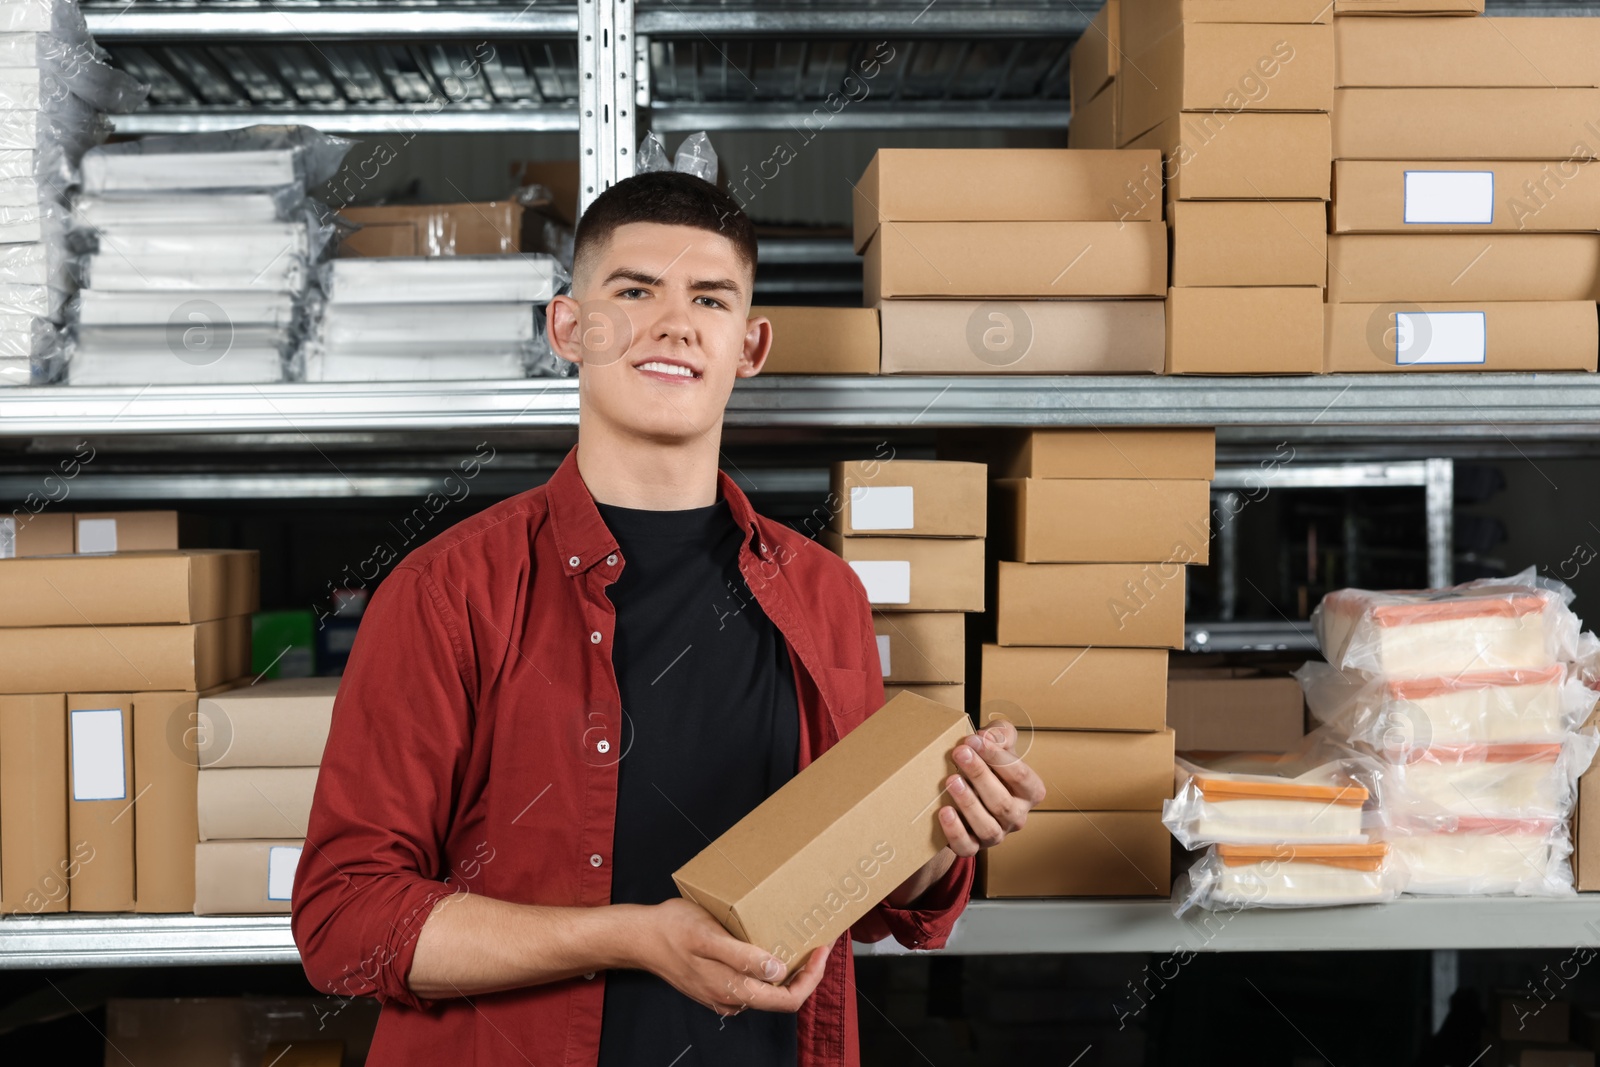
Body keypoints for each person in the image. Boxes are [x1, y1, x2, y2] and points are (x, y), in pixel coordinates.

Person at [291, 169, 1046, 1067]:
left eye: (711, 298)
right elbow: (345, 920)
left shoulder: (824, 595)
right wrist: (628, 937)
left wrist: (946, 827)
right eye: (635, 291)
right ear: (569, 329)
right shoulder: (447, 592)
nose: (675, 322)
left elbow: (866, 896)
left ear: (751, 345)